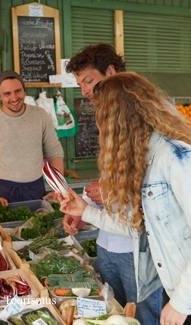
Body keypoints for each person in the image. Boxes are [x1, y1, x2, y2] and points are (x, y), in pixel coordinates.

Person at [59, 72, 191, 325]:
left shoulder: (176, 157)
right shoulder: (144, 159)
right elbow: (137, 228)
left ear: (121, 119)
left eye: (104, 119)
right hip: (173, 288)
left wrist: (181, 302)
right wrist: (85, 211)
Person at [65, 42, 162, 325]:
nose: (84, 90)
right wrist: (87, 206)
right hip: (107, 242)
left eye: (89, 81)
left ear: (111, 72)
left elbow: (153, 186)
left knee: (145, 319)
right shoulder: (107, 119)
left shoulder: (150, 118)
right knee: (115, 317)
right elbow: (112, 179)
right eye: (80, 84)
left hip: (138, 251)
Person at [0, 70, 64, 207]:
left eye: (18, 91)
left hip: (36, 188)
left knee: (39, 228)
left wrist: (58, 188)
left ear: (24, 91)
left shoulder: (40, 115)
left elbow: (55, 152)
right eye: (7, 94)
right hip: (2, 192)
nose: (14, 97)